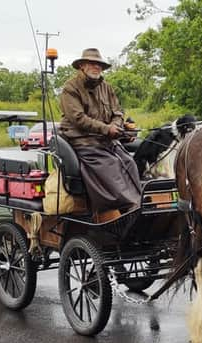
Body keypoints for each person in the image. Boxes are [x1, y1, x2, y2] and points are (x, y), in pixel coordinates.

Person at [58, 48, 141, 221]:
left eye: (99, 64)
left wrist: (116, 126)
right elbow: (78, 118)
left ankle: (137, 203)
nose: (96, 67)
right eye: (92, 63)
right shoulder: (70, 88)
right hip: (83, 142)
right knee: (110, 165)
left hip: (106, 141)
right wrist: (106, 129)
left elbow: (118, 112)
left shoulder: (106, 87)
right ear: (82, 66)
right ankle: (126, 209)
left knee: (129, 162)